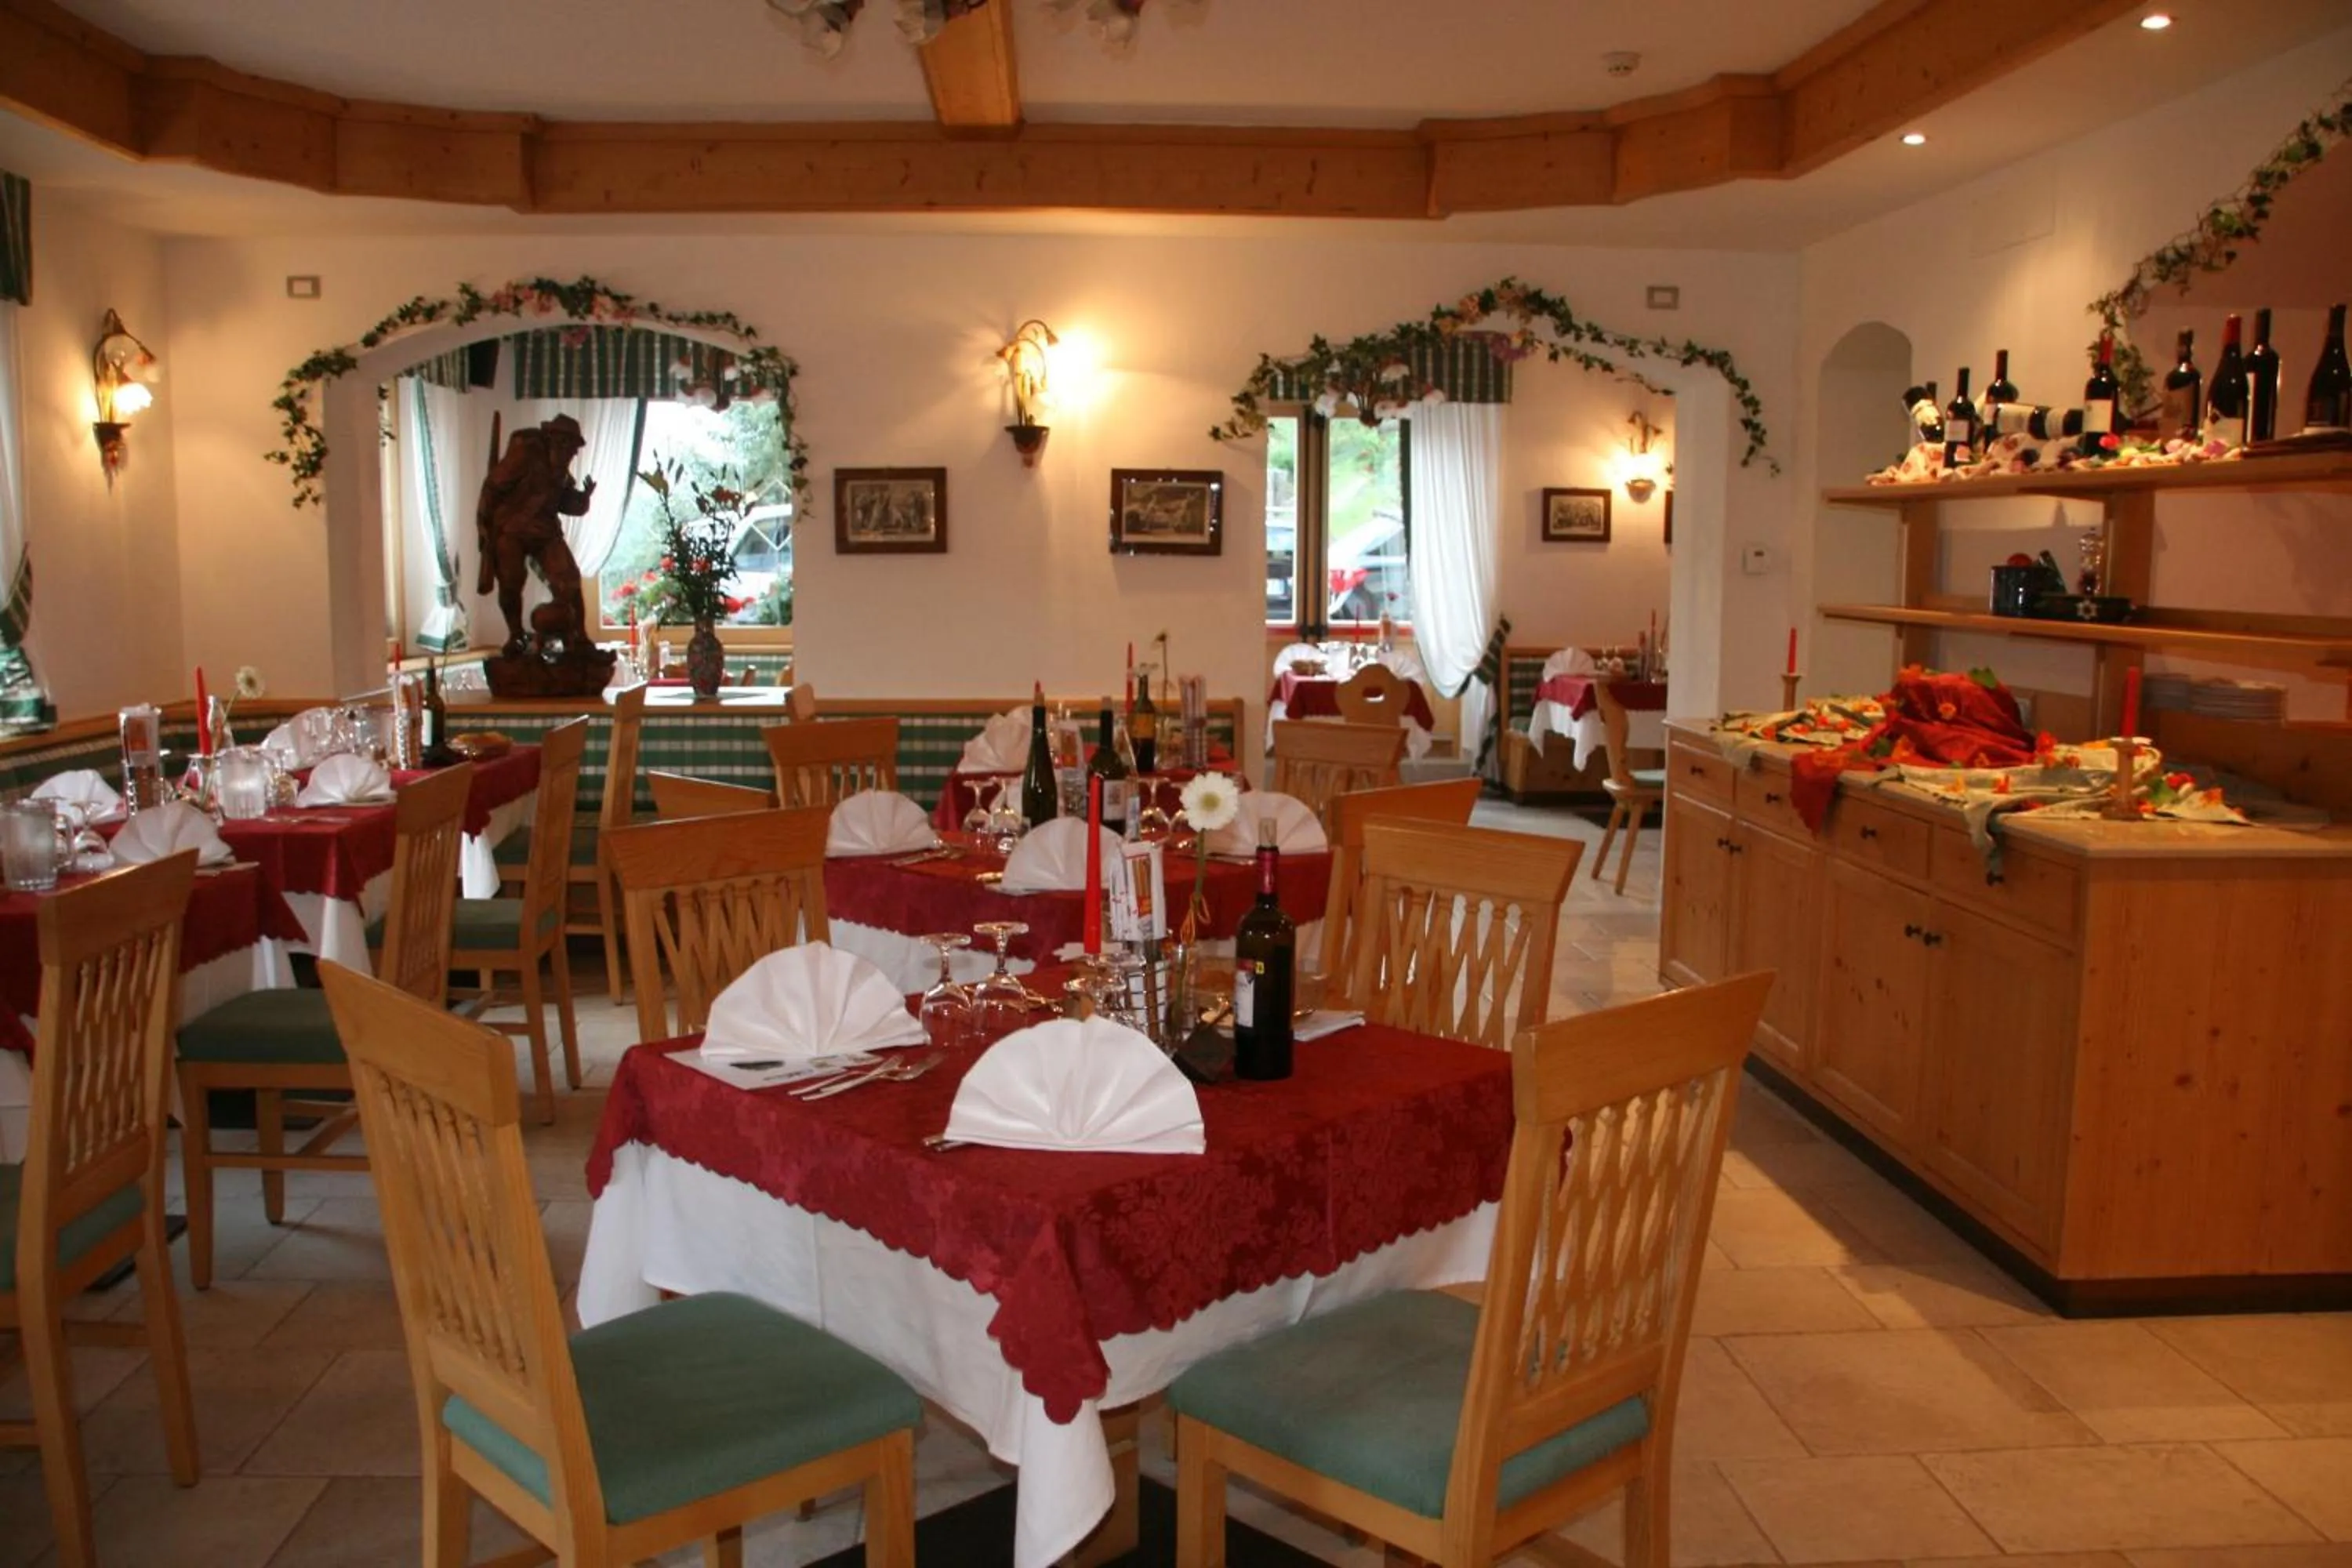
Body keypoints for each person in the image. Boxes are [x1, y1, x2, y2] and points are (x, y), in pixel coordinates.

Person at [476, 413, 595, 659]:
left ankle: (579, 637)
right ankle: (516, 635)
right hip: (511, 529)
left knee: (569, 579)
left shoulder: (561, 470)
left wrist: (583, 498)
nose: (572, 453)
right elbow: (493, 487)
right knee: (510, 583)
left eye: (573, 449)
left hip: (545, 531)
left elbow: (566, 503)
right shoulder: (524, 455)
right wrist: (485, 530)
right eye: (570, 446)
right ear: (556, 440)